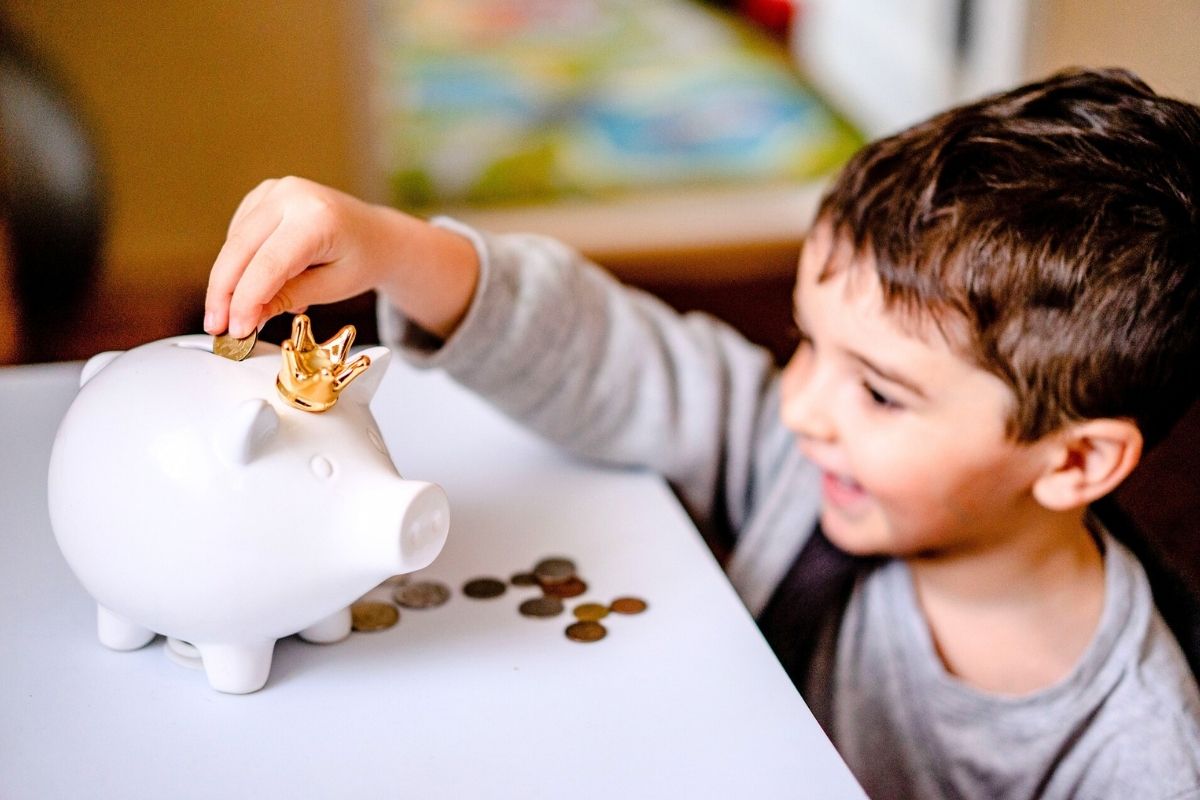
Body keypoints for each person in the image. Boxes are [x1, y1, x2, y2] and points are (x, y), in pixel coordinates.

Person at [204, 68, 1200, 798]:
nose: (801, 405)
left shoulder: (1141, 752)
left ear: (1075, 460)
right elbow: (611, 352)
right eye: (808, 343)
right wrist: (395, 248)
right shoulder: (808, 462)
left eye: (882, 395)